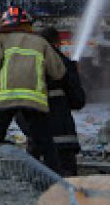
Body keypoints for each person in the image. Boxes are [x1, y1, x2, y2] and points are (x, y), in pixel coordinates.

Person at [0, 6, 66, 174]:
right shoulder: (40, 42)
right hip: (33, 98)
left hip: (5, 96)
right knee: (44, 140)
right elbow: (58, 71)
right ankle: (56, 178)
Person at [27, 27, 86, 176]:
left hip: (38, 140)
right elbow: (78, 101)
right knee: (67, 184)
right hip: (64, 137)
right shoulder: (65, 64)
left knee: (40, 184)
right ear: (57, 43)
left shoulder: (28, 65)